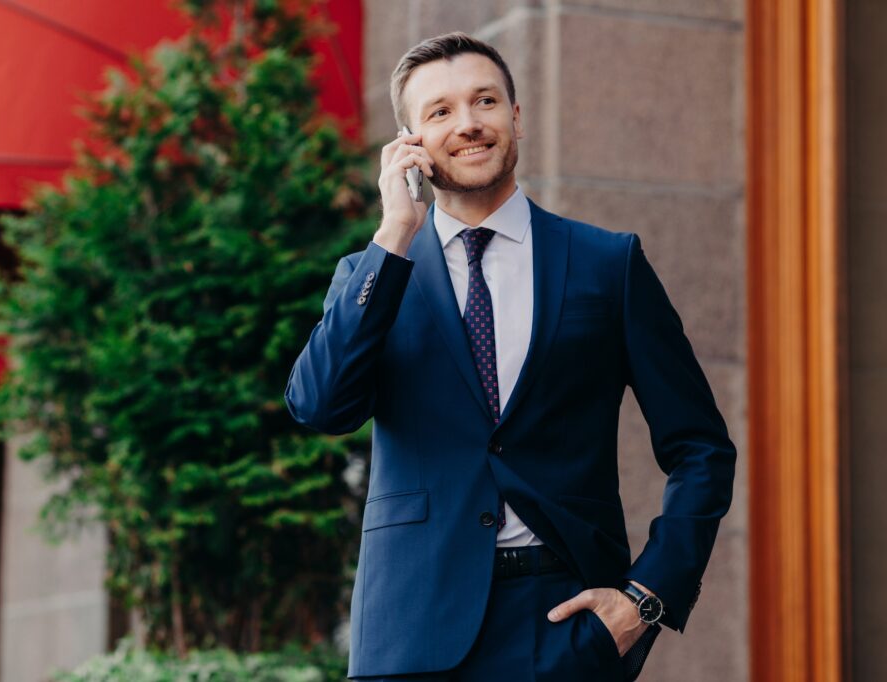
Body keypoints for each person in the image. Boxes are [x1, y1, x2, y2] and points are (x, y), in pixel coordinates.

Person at [285, 32, 736, 682]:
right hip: (410, 632)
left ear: (516, 117)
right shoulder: (373, 273)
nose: (468, 123)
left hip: (565, 627)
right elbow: (320, 407)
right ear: (410, 141)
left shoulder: (607, 265)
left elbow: (700, 447)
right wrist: (394, 233)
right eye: (440, 111)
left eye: (485, 101)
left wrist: (646, 598)